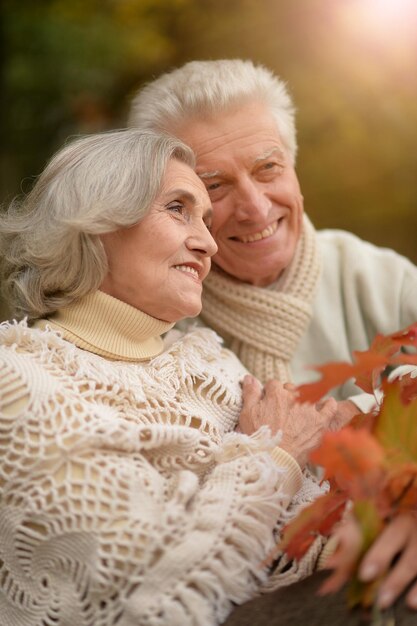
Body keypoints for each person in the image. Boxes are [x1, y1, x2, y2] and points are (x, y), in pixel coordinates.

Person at [0, 128, 340, 625]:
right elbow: (153, 603)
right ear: (96, 220)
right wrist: (274, 458)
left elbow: (305, 547)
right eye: (178, 208)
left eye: (204, 218)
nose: (207, 243)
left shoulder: (207, 361)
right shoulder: (18, 380)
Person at [127, 59, 417, 615]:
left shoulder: (381, 279)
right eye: (214, 186)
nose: (255, 207)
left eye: (267, 168)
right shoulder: (156, 323)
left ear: (294, 166)